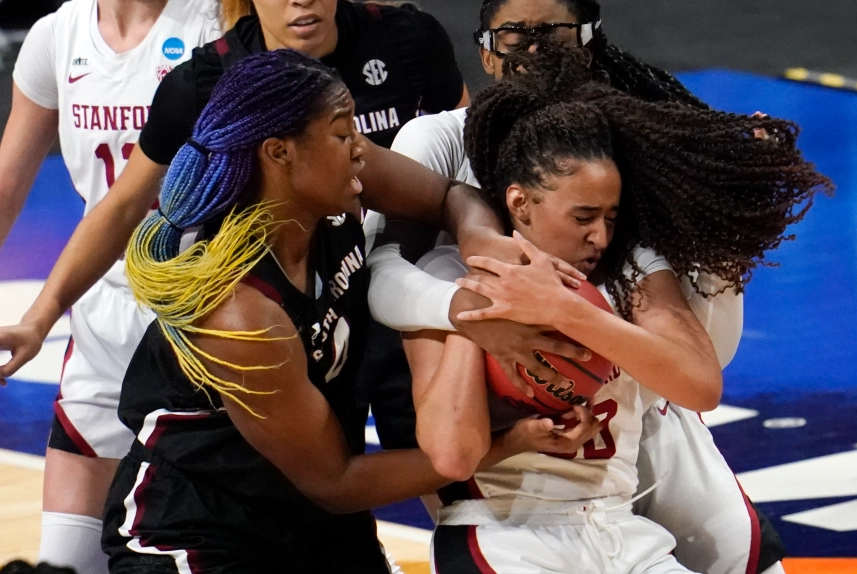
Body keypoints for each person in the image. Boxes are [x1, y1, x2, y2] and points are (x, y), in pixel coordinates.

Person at [100, 49, 595, 573]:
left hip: (314, 519)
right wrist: (505, 445)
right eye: (342, 133)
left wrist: (477, 240)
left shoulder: (334, 188)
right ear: (280, 152)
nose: (360, 148)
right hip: (201, 528)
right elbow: (335, 482)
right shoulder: (241, 312)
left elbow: (451, 194)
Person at [368, 2, 794, 572]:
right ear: (486, 52)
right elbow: (385, 272)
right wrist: (475, 313)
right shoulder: (440, 148)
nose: (537, 48)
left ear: (591, 42)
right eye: (517, 34)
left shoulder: (626, 153)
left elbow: (704, 369)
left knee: (748, 559)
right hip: (501, 483)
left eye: (556, 31)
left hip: (625, 431)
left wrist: (722, 243)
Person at [0, 1, 221, 571]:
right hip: (103, 315)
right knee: (64, 561)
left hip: (206, 316)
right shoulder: (56, 35)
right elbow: (6, 184)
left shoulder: (216, 23)